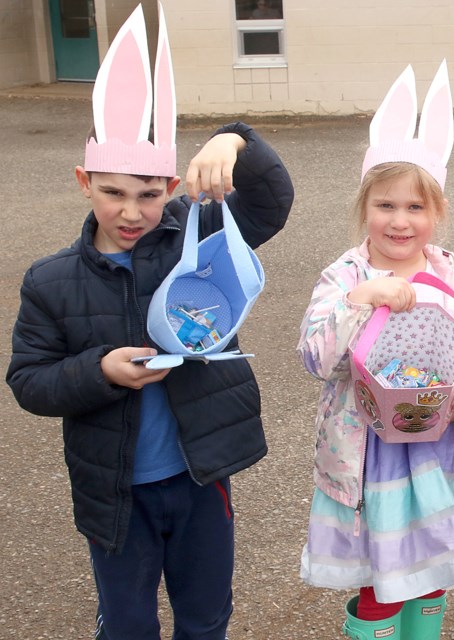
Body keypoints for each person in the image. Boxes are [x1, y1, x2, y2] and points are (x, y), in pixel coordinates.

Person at [5, 6, 293, 639]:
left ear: (171, 185)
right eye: (113, 192)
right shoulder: (51, 280)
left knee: (205, 615)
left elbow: (270, 205)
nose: (132, 211)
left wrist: (235, 138)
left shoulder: (196, 231)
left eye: (149, 192)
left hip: (198, 478)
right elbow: (29, 380)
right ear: (84, 182)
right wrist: (98, 371)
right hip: (115, 493)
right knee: (129, 622)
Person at [296, 60, 454, 640]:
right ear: (365, 208)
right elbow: (315, 357)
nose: (400, 220)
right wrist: (364, 297)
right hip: (369, 460)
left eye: (416, 207)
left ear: (437, 213)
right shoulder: (345, 275)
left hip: (437, 452)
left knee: (431, 570)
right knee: (379, 577)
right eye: (386, 205)